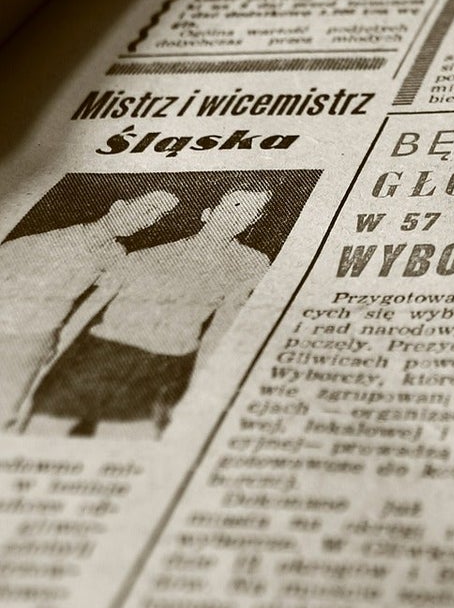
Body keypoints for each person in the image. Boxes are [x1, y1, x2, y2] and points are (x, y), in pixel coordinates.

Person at [23, 187, 272, 438]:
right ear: (208, 213)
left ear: (254, 221)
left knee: (126, 444)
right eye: (236, 206)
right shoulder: (145, 256)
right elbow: (91, 308)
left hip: (161, 367)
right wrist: (51, 361)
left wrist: (199, 388)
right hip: (98, 354)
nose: (240, 216)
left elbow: (223, 327)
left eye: (252, 212)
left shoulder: (251, 264)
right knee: (42, 431)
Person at [0, 190, 178, 428]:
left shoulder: (115, 256)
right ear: (118, 206)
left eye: (156, 216)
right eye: (147, 208)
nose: (147, 219)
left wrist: (55, 342)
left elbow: (89, 307)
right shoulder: (55, 237)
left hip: (36, 339)